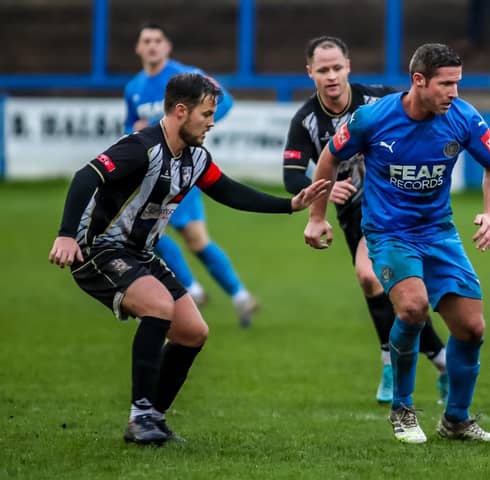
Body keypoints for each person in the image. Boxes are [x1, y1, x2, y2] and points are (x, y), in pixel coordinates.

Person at [49, 72, 330, 445]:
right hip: (98, 249)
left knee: (193, 333)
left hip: (140, 253)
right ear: (181, 111)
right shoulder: (141, 147)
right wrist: (67, 234)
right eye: (207, 114)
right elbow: (87, 176)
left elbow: (227, 190)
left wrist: (289, 206)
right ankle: (140, 417)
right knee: (158, 307)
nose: (212, 122)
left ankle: (154, 419)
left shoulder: (195, 157)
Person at [304, 43, 490, 444]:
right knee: (413, 309)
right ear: (419, 81)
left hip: (439, 233)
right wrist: (316, 216)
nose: (454, 93)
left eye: (458, 83)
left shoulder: (463, 118)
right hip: (388, 233)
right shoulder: (373, 119)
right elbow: (328, 158)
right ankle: (402, 409)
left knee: (471, 328)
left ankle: (457, 421)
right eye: (446, 84)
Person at [283, 36, 449, 405]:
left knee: (371, 277)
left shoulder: (380, 101)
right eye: (323, 70)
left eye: (337, 67)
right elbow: (291, 174)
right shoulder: (306, 120)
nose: (331, 76)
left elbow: (421, 116)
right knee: (395, 294)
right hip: (355, 215)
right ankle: (441, 361)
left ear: (349, 66)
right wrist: (322, 189)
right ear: (310, 73)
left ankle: (392, 363)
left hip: (399, 206)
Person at [125, 23, 258, 327]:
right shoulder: (133, 88)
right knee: (148, 232)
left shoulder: (186, 77)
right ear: (138, 48)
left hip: (182, 169)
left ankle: (237, 296)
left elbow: (224, 101)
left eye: (158, 40)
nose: (152, 46)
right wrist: (134, 133)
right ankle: (196, 291)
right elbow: (130, 126)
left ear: (167, 46)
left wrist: (196, 126)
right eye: (146, 40)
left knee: (195, 240)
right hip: (151, 172)